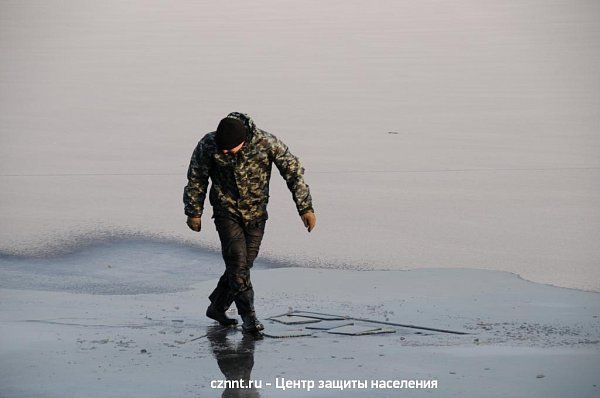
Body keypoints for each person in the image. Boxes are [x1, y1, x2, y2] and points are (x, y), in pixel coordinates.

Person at [183, 112, 316, 337]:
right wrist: (194, 212)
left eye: (230, 149)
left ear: (244, 141)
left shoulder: (266, 142)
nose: (225, 152)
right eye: (222, 149)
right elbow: (196, 177)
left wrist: (305, 208)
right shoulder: (208, 144)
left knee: (243, 265)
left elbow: (293, 172)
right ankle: (249, 318)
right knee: (237, 261)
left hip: (256, 214)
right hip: (226, 212)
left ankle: (217, 306)